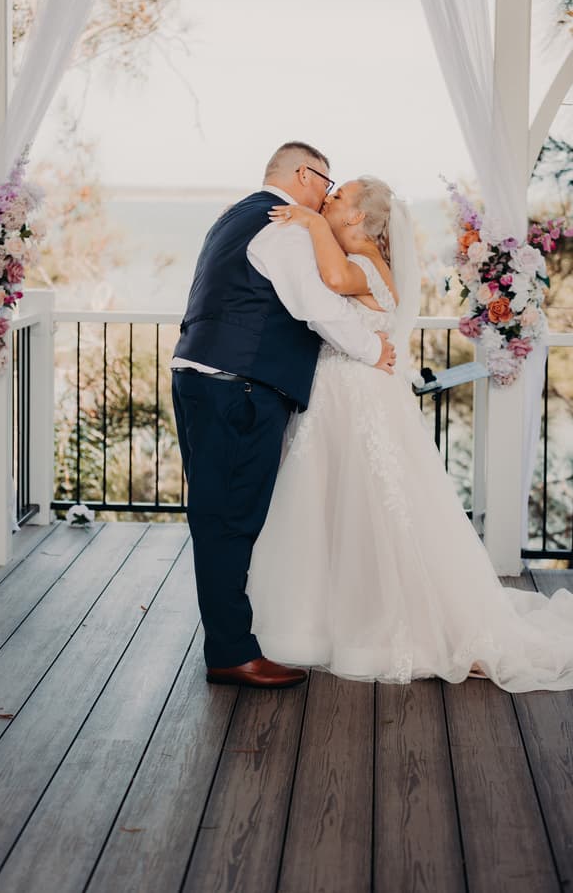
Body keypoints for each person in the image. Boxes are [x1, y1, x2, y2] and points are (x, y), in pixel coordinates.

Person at [247, 176, 573, 693]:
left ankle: (377, 628)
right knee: (326, 505)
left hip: (360, 401)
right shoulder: (363, 260)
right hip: (336, 398)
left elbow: (331, 279)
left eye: (336, 197)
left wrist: (307, 220)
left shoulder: (370, 267)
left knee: (372, 506)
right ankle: (318, 620)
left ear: (355, 218)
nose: (326, 201)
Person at [171, 143, 396, 689]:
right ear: (305, 174)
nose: (326, 196)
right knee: (230, 520)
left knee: (216, 516)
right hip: (239, 388)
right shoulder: (286, 226)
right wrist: (372, 352)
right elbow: (314, 305)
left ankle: (231, 640)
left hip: (198, 376)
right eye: (328, 182)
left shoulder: (233, 218)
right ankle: (230, 651)